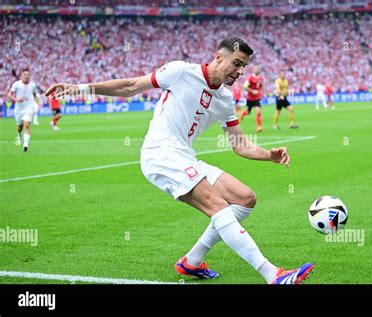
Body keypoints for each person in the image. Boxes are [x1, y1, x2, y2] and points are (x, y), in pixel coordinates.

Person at [45, 36, 314, 284]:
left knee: (245, 198)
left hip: (184, 156)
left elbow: (239, 144)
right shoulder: (181, 71)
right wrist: (76, 89)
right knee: (218, 206)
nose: (240, 71)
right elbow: (130, 86)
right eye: (237, 63)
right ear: (218, 57)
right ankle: (273, 275)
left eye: (244, 66)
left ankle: (191, 262)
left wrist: (269, 155)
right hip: (160, 153)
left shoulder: (224, 98)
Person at [8, 69, 42, 152]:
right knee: (20, 127)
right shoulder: (16, 84)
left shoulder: (32, 85)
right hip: (19, 109)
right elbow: (9, 95)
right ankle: (19, 135)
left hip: (28, 108)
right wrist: (16, 99)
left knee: (26, 125)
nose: (27, 76)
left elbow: (34, 95)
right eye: (25, 74)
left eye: (28, 75)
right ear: (21, 76)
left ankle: (25, 145)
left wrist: (39, 103)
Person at [240, 66, 264, 132]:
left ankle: (259, 127)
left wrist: (262, 93)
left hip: (257, 98)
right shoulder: (250, 78)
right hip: (250, 98)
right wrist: (252, 91)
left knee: (258, 111)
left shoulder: (261, 78)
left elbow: (261, 85)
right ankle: (243, 113)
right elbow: (245, 86)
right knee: (248, 112)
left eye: (258, 69)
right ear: (253, 70)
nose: (257, 70)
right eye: (256, 69)